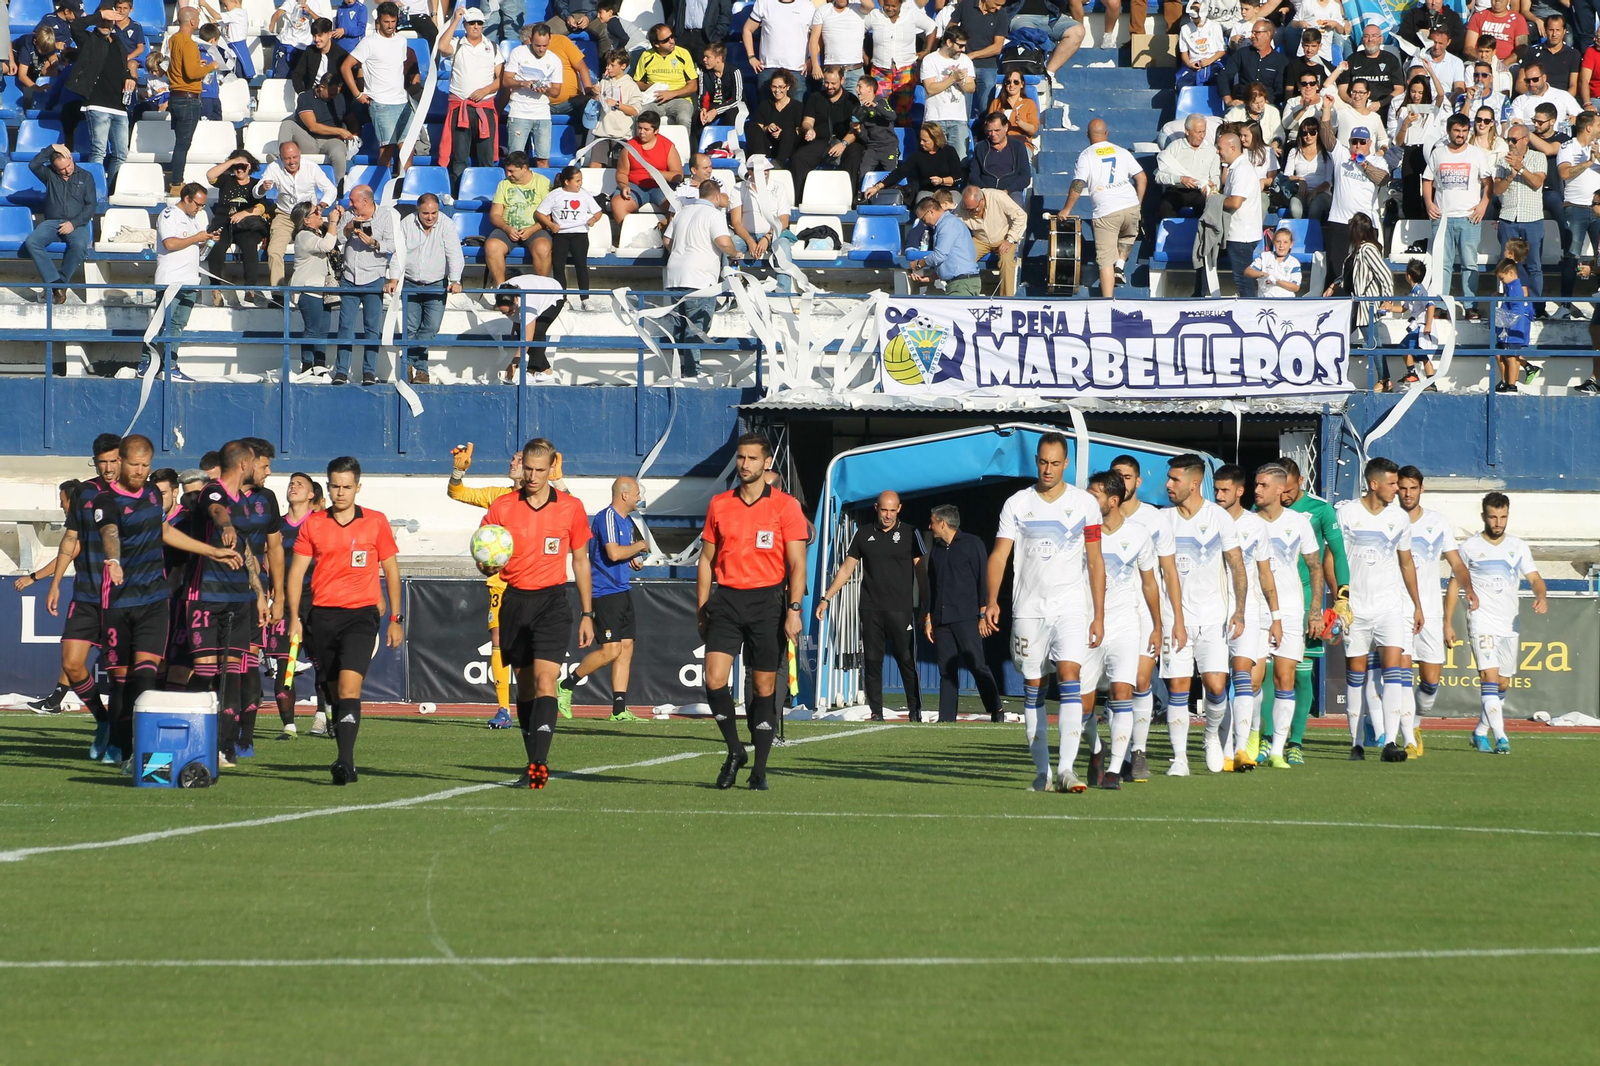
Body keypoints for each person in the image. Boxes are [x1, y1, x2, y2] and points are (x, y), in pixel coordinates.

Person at [982, 433, 1104, 793]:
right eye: (1042, 462)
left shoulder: (1085, 503)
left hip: (1071, 607)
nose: (1047, 469)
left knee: (1070, 675)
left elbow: (1096, 561)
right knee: (1034, 687)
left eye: (1054, 463)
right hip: (1029, 609)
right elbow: (1000, 555)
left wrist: (1098, 614)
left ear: (1066, 464)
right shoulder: (1017, 503)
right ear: (1036, 461)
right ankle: (1043, 774)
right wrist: (991, 600)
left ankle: (1067, 770)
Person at [476, 439, 593, 787]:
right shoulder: (503, 507)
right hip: (514, 601)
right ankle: (532, 762)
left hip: (552, 602)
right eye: (528, 468)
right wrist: (485, 565)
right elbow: (484, 549)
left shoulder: (571, 507)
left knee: (545, 681)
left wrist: (588, 613)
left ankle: (540, 763)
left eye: (540, 470)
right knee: (525, 687)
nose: (532, 476)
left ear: (552, 467)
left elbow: (581, 561)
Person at [697, 433, 808, 790]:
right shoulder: (719, 504)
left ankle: (759, 769)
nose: (745, 464)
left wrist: (794, 609)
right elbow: (706, 560)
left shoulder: (786, 506)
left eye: (752, 458)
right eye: (741, 457)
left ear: (766, 463)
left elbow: (798, 564)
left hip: (768, 603)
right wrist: (701, 607)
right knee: (714, 679)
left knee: (763, 686)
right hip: (727, 601)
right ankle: (735, 750)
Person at [286, 455, 402, 785]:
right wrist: (294, 617)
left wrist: (396, 617)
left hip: (361, 616)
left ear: (357, 488)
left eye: (347, 487)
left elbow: (391, 569)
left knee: (351, 686)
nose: (340, 492)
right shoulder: (314, 524)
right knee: (335, 691)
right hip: (322, 617)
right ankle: (344, 756)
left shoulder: (375, 522)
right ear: (328, 486)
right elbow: (296, 573)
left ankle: (344, 761)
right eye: (335, 486)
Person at [173, 440, 270, 767]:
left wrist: (259, 593)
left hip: (239, 600)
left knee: (232, 673)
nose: (260, 468)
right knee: (205, 671)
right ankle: (182, 728)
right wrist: (225, 525)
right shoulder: (211, 492)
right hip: (205, 596)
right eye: (256, 462)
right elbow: (217, 512)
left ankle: (223, 746)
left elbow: (247, 551)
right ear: (243, 464)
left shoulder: (245, 501)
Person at [1158, 453, 1248, 776]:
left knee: (1216, 687)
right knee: (1178, 688)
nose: (1168, 484)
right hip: (1174, 618)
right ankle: (1180, 758)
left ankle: (1210, 735)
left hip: (1213, 617)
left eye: (1175, 479)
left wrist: (1239, 610)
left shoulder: (1218, 518)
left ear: (1194, 483)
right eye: (1169, 478)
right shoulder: (1163, 520)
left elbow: (1237, 565)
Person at [1334, 457, 1426, 763]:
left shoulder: (1399, 518)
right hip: (1356, 608)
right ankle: (1357, 743)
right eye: (1392, 483)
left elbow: (1406, 562)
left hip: (1389, 607)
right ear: (1374, 484)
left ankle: (1390, 742)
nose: (1397, 488)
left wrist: (1417, 604)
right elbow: (1332, 557)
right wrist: (1339, 598)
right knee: (1356, 675)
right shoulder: (1347, 514)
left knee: (1393, 672)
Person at [1076, 470, 1164, 789]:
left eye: (1094, 495)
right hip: (1086, 624)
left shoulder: (1138, 534)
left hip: (1125, 624)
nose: (1087, 500)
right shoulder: (1080, 532)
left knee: (1122, 693)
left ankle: (1114, 769)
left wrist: (1157, 626)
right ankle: (1096, 749)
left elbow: (1150, 582)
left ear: (1113, 501)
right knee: (1081, 705)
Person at [1447, 492, 1546, 755]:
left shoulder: (1518, 546)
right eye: (1493, 517)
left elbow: (1535, 578)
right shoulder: (1469, 548)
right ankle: (1502, 738)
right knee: (1488, 677)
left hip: (1509, 624)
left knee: (1502, 683)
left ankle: (1480, 732)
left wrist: (1541, 595)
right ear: (1484, 517)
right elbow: (1454, 585)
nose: (1498, 522)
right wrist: (1447, 622)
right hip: (1482, 620)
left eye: (1503, 517)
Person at [815, 491, 925, 722]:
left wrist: (927, 605)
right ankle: (876, 712)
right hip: (871, 608)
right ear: (876, 508)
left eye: (892, 510)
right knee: (873, 661)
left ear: (899, 509)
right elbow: (846, 569)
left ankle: (915, 711)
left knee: (906, 660)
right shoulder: (864, 533)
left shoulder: (910, 533)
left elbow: (921, 572)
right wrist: (826, 598)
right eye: (884, 510)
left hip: (900, 609)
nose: (888, 515)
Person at [43, 436, 121, 752]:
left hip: (124, 597)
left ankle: (122, 735)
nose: (108, 468)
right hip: (87, 593)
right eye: (102, 462)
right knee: (72, 663)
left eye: (113, 460)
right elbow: (70, 538)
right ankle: (103, 721)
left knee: (122, 673)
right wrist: (54, 583)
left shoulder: (138, 493)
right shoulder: (85, 493)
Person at [553, 477, 651, 722]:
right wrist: (639, 546)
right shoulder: (607, 516)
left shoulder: (627, 521)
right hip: (604, 592)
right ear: (624, 495)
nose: (639, 498)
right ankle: (566, 684)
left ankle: (619, 710)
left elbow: (622, 553)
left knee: (626, 649)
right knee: (611, 650)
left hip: (622, 589)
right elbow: (613, 552)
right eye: (637, 494)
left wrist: (633, 558)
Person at [1393, 467, 1475, 758]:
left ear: (1421, 489)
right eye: (1403, 488)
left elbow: (1456, 562)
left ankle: (1414, 723)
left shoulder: (1437, 522)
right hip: (1397, 609)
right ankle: (1406, 737)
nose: (1407, 494)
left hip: (1429, 611)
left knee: (1430, 684)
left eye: (1412, 488)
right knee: (1400, 677)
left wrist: (1469, 588)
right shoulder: (1389, 519)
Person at [1250, 463, 1325, 768]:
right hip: (1256, 609)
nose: (1257, 490)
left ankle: (1279, 750)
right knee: (1252, 680)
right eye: (1256, 484)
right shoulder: (1246, 521)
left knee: (1286, 678)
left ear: (1280, 490)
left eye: (1263, 485)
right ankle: (1254, 738)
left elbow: (1315, 567)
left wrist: (1315, 611)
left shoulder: (1299, 523)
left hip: (1292, 610)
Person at [1211, 465, 1283, 772]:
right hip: (1212, 610)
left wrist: (1276, 617)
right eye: (1216, 489)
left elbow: (1265, 573)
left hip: (1248, 611)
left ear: (1240, 491)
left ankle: (1241, 749)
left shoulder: (1255, 526)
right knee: (1216, 684)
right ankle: (1222, 747)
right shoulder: (1207, 520)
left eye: (1225, 490)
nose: (1218, 495)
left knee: (1244, 676)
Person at [446, 443, 522, 725]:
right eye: (513, 458)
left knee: (528, 645)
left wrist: (559, 481)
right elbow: (457, 492)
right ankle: (503, 709)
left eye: (518, 459)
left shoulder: (543, 500)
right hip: (500, 582)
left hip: (531, 580)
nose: (512, 462)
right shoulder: (498, 496)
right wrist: (457, 472)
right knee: (498, 639)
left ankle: (536, 702)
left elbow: (568, 507)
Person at [923, 503, 1002, 724]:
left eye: (932, 522)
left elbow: (983, 578)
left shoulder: (972, 544)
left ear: (943, 523)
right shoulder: (937, 549)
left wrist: (983, 614)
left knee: (977, 665)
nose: (929, 526)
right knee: (946, 671)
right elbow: (931, 584)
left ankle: (996, 709)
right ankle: (946, 719)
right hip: (941, 620)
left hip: (966, 617)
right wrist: (928, 617)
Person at [140, 183, 218, 381]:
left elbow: (196, 251)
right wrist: (196, 237)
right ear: (187, 198)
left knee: (178, 324)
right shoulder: (169, 214)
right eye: (198, 204)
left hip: (190, 280)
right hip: (171, 280)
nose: (200, 209)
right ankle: (145, 363)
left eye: (203, 205)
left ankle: (170, 365)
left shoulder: (193, 219)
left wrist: (208, 241)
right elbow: (170, 243)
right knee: (161, 322)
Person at [1061, 118, 1145, 296]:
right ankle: (1120, 265)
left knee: (1105, 261)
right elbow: (1141, 178)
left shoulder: (1086, 155)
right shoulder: (1121, 151)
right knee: (1127, 236)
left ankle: (1107, 302)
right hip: (1130, 204)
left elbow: (1078, 184)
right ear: (1106, 133)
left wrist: (1067, 209)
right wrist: (1138, 204)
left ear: (1087, 135)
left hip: (1106, 209)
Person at [268, 470, 321, 739]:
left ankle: (322, 717)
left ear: (311, 494)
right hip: (286, 602)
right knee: (284, 664)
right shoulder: (276, 525)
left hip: (317, 600)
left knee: (322, 663)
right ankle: (288, 726)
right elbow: (266, 556)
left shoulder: (320, 523)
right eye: (291, 483)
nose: (294, 486)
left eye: (300, 484)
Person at [662, 180, 735, 376]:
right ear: (717, 196)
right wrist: (735, 253)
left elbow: (667, 240)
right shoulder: (714, 214)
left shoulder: (681, 212)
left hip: (675, 275)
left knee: (679, 325)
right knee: (696, 326)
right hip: (700, 278)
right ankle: (692, 372)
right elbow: (723, 242)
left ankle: (679, 370)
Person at [1424, 112, 1493, 317]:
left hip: (1469, 217)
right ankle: (1441, 305)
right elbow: (1427, 180)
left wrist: (1483, 204)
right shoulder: (1438, 153)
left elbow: (1488, 182)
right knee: (1442, 264)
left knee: (1469, 263)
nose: (1460, 134)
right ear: (1449, 131)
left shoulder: (1476, 154)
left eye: (1464, 131)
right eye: (1457, 130)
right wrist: (1428, 203)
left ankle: (1470, 306)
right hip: (1442, 217)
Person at [392, 192, 464, 385]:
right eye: (426, 213)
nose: (430, 217)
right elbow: (398, 253)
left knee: (432, 327)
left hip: (437, 283)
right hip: (410, 282)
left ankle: (407, 361)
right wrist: (393, 278)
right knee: (410, 328)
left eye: (434, 213)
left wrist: (455, 279)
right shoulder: (407, 223)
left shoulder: (447, 224)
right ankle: (421, 371)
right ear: (418, 210)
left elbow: (454, 254)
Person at [62, 7, 135, 192]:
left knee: (121, 154)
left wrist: (130, 77)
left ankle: (112, 192)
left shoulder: (118, 42)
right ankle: (94, 193)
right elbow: (76, 27)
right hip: (97, 104)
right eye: (103, 20)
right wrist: (99, 15)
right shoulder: (89, 39)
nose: (105, 24)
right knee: (99, 152)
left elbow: (122, 68)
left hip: (119, 106)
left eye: (109, 21)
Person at [343, 2, 420, 175]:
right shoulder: (368, 43)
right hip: (381, 104)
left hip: (403, 102)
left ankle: (404, 186)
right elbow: (346, 66)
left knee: (408, 149)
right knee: (387, 150)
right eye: (386, 22)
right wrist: (357, 94)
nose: (390, 25)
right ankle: (382, 187)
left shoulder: (401, 41)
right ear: (378, 20)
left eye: (393, 21)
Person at [335, 185, 396, 386]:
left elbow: (393, 245)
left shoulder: (385, 216)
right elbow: (338, 238)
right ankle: (341, 372)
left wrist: (375, 243)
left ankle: (369, 372)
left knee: (372, 327)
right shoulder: (349, 215)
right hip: (349, 277)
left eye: (353, 201)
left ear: (366, 201)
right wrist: (348, 228)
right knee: (345, 326)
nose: (350, 204)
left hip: (374, 278)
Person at [257, 140, 338, 290]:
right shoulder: (273, 167)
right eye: (287, 158)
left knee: (324, 248)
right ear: (281, 157)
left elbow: (331, 190)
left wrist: (321, 205)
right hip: (285, 215)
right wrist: (263, 187)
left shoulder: (311, 167)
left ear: (300, 154)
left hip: (309, 215)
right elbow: (257, 192)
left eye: (295, 157)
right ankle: (278, 293)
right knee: (274, 251)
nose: (292, 161)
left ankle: (320, 287)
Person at [438, 7, 503, 190]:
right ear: (465, 25)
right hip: (461, 108)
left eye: (479, 23)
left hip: (485, 107)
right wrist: (455, 20)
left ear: (483, 25)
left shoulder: (493, 47)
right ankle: (459, 193)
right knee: (459, 158)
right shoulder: (457, 44)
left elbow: (502, 79)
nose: (475, 26)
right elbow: (442, 47)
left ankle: (487, 193)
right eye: (471, 23)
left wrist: (485, 90)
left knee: (486, 158)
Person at [23, 144, 97, 305]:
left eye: (68, 166)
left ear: (71, 159)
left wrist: (74, 223)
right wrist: (51, 148)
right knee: (32, 242)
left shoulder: (86, 176)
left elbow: (91, 205)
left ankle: (60, 284)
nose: (67, 170)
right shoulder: (49, 174)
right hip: (52, 222)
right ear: (54, 168)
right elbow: (33, 164)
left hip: (76, 223)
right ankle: (55, 283)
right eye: (61, 169)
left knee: (79, 245)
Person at [204, 152, 271, 305]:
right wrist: (233, 161)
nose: (239, 170)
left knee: (249, 245)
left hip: (247, 226)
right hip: (224, 223)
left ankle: (250, 288)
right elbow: (210, 175)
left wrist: (244, 213)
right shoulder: (226, 180)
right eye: (236, 167)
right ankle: (215, 288)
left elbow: (261, 207)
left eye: (243, 166)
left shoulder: (256, 184)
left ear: (250, 167)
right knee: (216, 245)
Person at [165, 8, 218, 194]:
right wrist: (210, 66)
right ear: (193, 22)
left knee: (180, 143)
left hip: (176, 96)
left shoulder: (174, 39)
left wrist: (197, 65)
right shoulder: (188, 43)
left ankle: (176, 180)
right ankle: (176, 183)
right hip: (188, 98)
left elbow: (180, 66)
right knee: (183, 144)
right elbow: (191, 73)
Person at [1495, 123, 1549, 306]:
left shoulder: (1538, 157)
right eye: (1508, 139)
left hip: (1532, 218)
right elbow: (1497, 190)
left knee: (1534, 265)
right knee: (1506, 263)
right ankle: (1510, 303)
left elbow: (1537, 183)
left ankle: (1536, 306)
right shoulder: (1502, 161)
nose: (1510, 143)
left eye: (1514, 139)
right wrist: (1510, 176)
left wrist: (1521, 168)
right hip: (1508, 217)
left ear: (1525, 140)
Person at [790, 65, 859, 203]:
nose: (829, 86)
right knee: (799, 157)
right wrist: (809, 129)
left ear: (842, 81)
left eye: (833, 83)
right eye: (826, 82)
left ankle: (850, 200)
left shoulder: (851, 100)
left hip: (844, 140)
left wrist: (843, 144)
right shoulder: (815, 97)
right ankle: (799, 200)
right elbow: (807, 121)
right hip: (820, 140)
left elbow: (855, 129)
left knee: (855, 155)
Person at [487, 152, 555, 285]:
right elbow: (495, 215)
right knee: (492, 246)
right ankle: (501, 289)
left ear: (524, 168)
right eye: (507, 171)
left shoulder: (542, 183)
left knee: (542, 247)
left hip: (536, 228)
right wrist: (507, 228)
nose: (508, 174)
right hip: (507, 229)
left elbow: (550, 215)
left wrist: (532, 229)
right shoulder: (503, 184)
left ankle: (540, 289)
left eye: (512, 171)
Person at [1557, 113, 1600, 318]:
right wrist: (1589, 162)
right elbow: (1564, 173)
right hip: (1575, 208)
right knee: (1571, 257)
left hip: (1599, 209)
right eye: (1599, 124)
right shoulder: (1568, 146)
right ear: (1589, 128)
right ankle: (1565, 306)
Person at [281, 71, 359, 183]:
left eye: (336, 93)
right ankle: (281, 161)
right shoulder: (305, 98)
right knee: (287, 124)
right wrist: (340, 131)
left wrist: (355, 134)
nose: (334, 96)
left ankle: (339, 186)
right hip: (309, 139)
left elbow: (352, 120)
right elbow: (312, 126)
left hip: (332, 140)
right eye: (331, 93)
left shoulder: (340, 98)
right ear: (321, 87)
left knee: (338, 151)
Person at [865, 0, 935, 124]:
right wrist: (863, 54)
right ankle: (883, 134)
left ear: (900, 4)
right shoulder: (875, 15)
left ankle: (903, 134)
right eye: (887, 5)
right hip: (880, 70)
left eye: (894, 6)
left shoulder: (911, 14)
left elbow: (932, 27)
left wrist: (927, 50)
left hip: (906, 69)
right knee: (879, 106)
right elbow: (858, 30)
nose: (890, 8)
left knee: (903, 108)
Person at [502, 22, 563, 165]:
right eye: (537, 45)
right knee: (515, 160)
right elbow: (506, 80)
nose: (541, 49)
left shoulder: (555, 60)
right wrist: (522, 83)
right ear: (531, 40)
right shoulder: (518, 52)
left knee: (543, 159)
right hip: (519, 112)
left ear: (550, 40)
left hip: (542, 114)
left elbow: (556, 91)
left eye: (544, 45)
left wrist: (545, 89)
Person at [536, 165, 603, 293]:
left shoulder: (584, 194)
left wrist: (593, 219)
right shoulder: (555, 194)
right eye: (577, 181)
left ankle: (584, 297)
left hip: (580, 234)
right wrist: (550, 224)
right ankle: (562, 296)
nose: (580, 184)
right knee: (558, 266)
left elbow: (598, 212)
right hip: (561, 235)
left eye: (581, 180)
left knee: (581, 266)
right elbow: (540, 213)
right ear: (567, 181)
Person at [609, 113, 683, 225]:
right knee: (618, 204)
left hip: (661, 187)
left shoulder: (668, 146)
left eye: (646, 129)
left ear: (656, 130)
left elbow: (678, 175)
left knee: (676, 207)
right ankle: (630, 233)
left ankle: (665, 232)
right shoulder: (629, 147)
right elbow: (622, 173)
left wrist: (659, 174)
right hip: (635, 186)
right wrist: (624, 186)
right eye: (639, 128)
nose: (641, 132)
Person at [863, 121, 963, 204]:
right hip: (927, 192)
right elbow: (899, 172)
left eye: (925, 141)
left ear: (935, 139)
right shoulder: (918, 155)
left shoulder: (949, 151)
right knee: (923, 204)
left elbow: (958, 178)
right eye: (920, 139)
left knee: (955, 203)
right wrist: (877, 187)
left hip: (949, 191)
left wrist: (942, 180)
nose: (921, 143)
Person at [493, 275, 567, 383]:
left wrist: (513, 364)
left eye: (510, 311)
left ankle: (531, 371)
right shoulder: (498, 293)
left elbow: (528, 339)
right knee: (520, 333)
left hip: (554, 293)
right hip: (534, 291)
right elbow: (516, 315)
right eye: (504, 313)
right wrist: (516, 322)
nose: (508, 315)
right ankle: (546, 371)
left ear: (515, 300)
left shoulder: (528, 303)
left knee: (537, 332)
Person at [1217, 131, 1263, 297]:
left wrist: (1213, 199)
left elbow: (1235, 202)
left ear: (1232, 148)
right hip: (1239, 233)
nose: (1217, 151)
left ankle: (1250, 311)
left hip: (1242, 235)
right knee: (1242, 280)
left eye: (1220, 148)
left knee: (1243, 281)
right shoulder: (1236, 168)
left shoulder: (1242, 170)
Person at [956, 184, 1026, 296]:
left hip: (1004, 237)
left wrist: (1010, 239)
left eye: (974, 209)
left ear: (982, 200)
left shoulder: (997, 196)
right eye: (968, 209)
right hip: (980, 239)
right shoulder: (962, 207)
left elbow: (1021, 216)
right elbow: (953, 223)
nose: (971, 212)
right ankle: (962, 294)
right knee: (962, 257)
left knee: (1006, 260)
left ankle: (1007, 299)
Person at [908, 195, 981, 295]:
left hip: (961, 284)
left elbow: (939, 255)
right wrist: (930, 278)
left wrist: (919, 264)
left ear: (930, 212)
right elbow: (952, 262)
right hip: (962, 282)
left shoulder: (947, 224)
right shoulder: (948, 223)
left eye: (923, 219)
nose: (924, 224)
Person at [949, 0, 1009, 120]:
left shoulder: (1001, 14)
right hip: (963, 64)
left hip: (987, 65)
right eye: (997, 4)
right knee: (962, 107)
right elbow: (951, 29)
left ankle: (985, 130)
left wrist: (972, 55)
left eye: (1001, 5)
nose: (998, 8)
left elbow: (997, 47)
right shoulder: (966, 5)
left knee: (987, 109)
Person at [743, 0, 815, 101]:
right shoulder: (764, 3)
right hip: (768, 68)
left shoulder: (807, 6)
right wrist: (751, 57)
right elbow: (747, 29)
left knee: (797, 109)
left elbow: (817, 37)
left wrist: (812, 60)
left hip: (797, 69)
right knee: (766, 108)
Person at [920, 28, 975, 157]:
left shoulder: (965, 60)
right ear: (949, 42)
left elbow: (971, 87)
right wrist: (953, 79)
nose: (963, 49)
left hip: (958, 119)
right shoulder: (930, 60)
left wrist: (961, 82)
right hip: (934, 119)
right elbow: (930, 89)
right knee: (933, 160)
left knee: (960, 160)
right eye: (960, 46)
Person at [633, 23, 699, 130]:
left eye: (672, 37)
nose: (672, 41)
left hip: (680, 100)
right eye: (666, 40)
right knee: (639, 114)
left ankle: (682, 141)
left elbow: (693, 85)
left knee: (684, 118)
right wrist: (652, 87)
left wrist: (672, 94)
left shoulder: (683, 54)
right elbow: (637, 82)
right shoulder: (646, 56)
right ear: (656, 44)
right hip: (654, 100)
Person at [1156, 114, 1221, 216]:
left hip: (1200, 192)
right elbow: (1159, 176)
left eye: (1204, 132)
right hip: (1176, 190)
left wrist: (1212, 186)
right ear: (1187, 131)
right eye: (1198, 132)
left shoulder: (1211, 150)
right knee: (1165, 205)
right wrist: (1180, 179)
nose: (1202, 136)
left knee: (1210, 207)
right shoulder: (1174, 147)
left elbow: (1216, 176)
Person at [743, 69, 802, 167]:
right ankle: (759, 159)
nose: (777, 90)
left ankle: (779, 163)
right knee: (751, 126)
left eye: (781, 87)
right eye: (774, 87)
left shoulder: (797, 106)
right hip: (768, 144)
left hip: (788, 146)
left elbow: (799, 130)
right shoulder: (765, 105)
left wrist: (783, 133)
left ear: (787, 87)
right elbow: (758, 128)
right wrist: (767, 128)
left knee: (789, 128)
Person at [809, 0, 869, 91]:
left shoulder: (858, 8)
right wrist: (815, 65)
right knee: (828, 100)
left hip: (855, 71)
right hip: (831, 71)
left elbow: (870, 5)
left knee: (855, 100)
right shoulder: (823, 10)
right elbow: (814, 39)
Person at [1223, 20, 1286, 107]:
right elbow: (1224, 76)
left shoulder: (1280, 60)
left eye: (1256, 33)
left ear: (1267, 34)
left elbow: (1280, 89)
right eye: (1252, 32)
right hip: (1242, 104)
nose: (1251, 36)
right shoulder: (1242, 54)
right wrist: (1228, 100)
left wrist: (1266, 102)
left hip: (1268, 106)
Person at [968, 111, 1032, 195]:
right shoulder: (981, 147)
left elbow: (1025, 177)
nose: (993, 134)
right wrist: (986, 191)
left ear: (1006, 127)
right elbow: (974, 176)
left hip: (1011, 192)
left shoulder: (1018, 147)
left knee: (1016, 201)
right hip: (985, 192)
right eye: (990, 131)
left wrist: (1007, 191)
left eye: (997, 130)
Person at [291, 17, 353, 94]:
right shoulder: (310, 51)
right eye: (314, 36)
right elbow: (297, 74)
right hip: (312, 94)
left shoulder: (341, 55)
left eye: (320, 35)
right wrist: (302, 93)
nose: (316, 39)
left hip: (334, 96)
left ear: (330, 34)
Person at [1177, 0, 1228, 88]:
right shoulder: (1185, 29)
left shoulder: (1215, 27)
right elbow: (1184, 52)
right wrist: (1189, 64)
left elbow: (1222, 50)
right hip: (1194, 63)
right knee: (1182, 84)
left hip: (1213, 62)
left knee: (1220, 81)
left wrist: (1210, 60)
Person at [1466, 0, 1531, 64]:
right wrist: (1482, 62)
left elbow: (1522, 49)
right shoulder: (1478, 17)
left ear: (1508, 1)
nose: (1497, 0)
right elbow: (1468, 47)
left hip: (1507, 63)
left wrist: (1503, 65)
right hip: (1480, 60)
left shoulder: (1518, 19)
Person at [988, 70, 1040, 149]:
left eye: (1016, 82)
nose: (1012, 85)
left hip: (1021, 144)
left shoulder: (1029, 103)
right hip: (998, 144)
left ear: (1022, 84)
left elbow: (1033, 130)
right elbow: (987, 126)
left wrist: (1020, 122)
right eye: (1008, 82)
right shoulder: (996, 103)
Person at [1246, 224, 1303, 297]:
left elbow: (1295, 287)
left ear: (1291, 244)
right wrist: (1263, 274)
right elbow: (1248, 271)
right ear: (1273, 242)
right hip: (1265, 300)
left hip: (1285, 300)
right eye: (1278, 242)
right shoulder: (1265, 257)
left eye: (1285, 242)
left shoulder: (1294, 262)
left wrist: (1276, 282)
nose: (1281, 246)